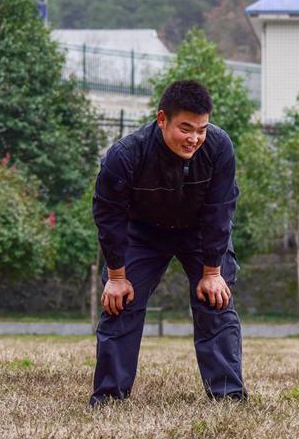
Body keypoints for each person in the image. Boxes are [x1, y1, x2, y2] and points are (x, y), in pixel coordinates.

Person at [89, 79, 247, 406]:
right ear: (162, 119)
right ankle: (109, 397)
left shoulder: (219, 147)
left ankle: (228, 396)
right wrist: (117, 277)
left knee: (215, 298)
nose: (194, 139)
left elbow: (220, 211)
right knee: (121, 302)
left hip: (199, 232)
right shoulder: (125, 155)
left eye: (201, 129)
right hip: (143, 232)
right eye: (185, 129)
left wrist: (213, 271)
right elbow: (109, 216)